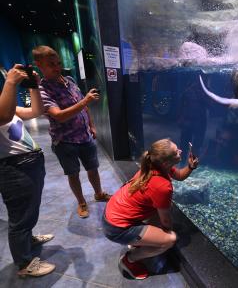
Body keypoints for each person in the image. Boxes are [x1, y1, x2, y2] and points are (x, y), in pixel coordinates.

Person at [32, 45, 111, 218]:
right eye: (51, 64)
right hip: (65, 141)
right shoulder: (42, 90)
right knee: (73, 174)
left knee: (93, 168)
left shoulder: (69, 80)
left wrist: (91, 125)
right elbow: (59, 116)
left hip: (85, 136)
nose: (57, 67)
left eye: (58, 63)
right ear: (39, 65)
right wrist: (85, 101)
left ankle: (98, 194)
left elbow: (84, 106)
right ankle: (81, 202)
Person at [102, 138, 199, 280]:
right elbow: (165, 221)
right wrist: (166, 232)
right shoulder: (162, 186)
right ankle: (130, 259)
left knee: (164, 206)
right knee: (170, 239)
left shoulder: (153, 166)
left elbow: (178, 175)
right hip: (116, 228)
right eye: (176, 152)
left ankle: (138, 240)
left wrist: (190, 167)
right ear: (166, 162)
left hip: (110, 215)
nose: (180, 152)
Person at [0, 64, 55, 277]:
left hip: (28, 164)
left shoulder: (6, 105)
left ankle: (27, 240)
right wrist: (11, 82)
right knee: (20, 218)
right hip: (13, 169)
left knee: (28, 211)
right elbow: (4, 116)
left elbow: (36, 111)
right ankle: (24, 265)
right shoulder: (3, 109)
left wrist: (34, 86)